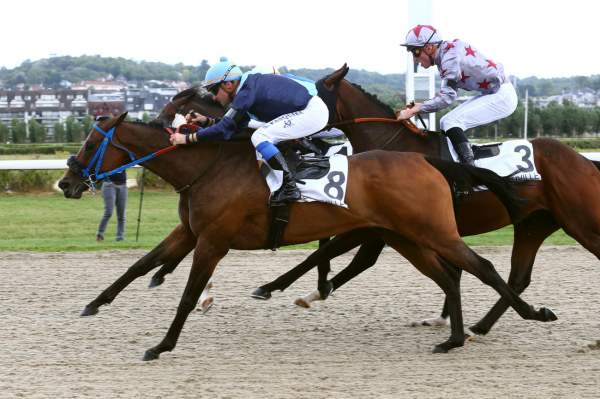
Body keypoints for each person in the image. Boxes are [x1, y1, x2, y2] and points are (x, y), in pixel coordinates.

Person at [170, 57, 329, 206]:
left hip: (312, 112)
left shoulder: (247, 91)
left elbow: (225, 128)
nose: (214, 98)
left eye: (213, 91)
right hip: (310, 111)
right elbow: (236, 126)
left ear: (228, 84)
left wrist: (188, 139)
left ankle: (290, 188)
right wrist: (206, 121)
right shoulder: (247, 90)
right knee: (261, 138)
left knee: (260, 137)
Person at [396, 25, 518, 165]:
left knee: (450, 122)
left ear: (429, 48)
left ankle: (470, 171)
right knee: (445, 122)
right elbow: (445, 94)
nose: (415, 59)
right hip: (494, 92)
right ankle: (467, 158)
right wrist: (420, 106)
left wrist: (415, 109)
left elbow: (447, 98)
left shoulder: (449, 59)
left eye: (415, 52)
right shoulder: (448, 51)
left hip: (502, 97)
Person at [96, 170, 128, 242]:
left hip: (123, 186)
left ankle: (120, 237)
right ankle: (100, 234)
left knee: (121, 214)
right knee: (108, 212)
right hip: (109, 185)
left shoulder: (123, 159)